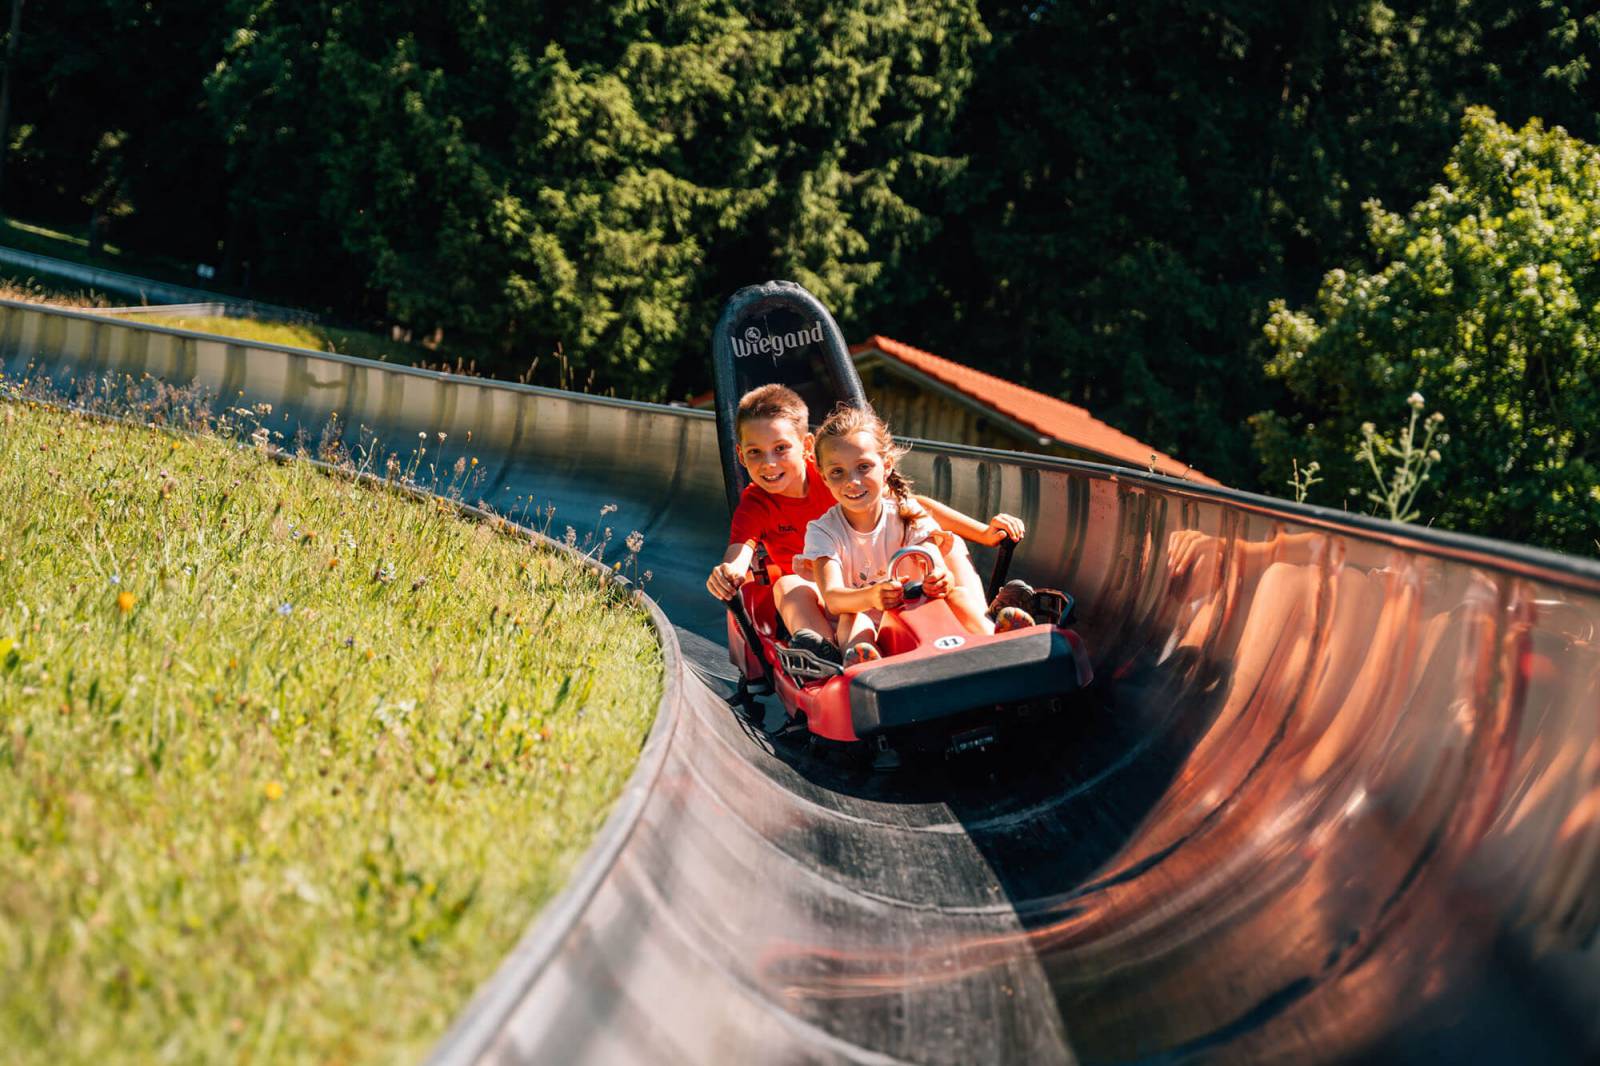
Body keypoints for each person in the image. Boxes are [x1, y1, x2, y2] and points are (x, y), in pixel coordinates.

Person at [706, 385, 1025, 666]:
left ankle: (984, 623)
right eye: (755, 453)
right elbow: (741, 551)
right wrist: (729, 572)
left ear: (806, 448)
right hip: (827, 587)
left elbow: (913, 507)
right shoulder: (762, 501)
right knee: (788, 585)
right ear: (741, 456)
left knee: (948, 543)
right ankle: (826, 655)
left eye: (780, 449)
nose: (769, 463)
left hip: (883, 568)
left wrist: (983, 533)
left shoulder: (838, 472)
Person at [799, 403, 1033, 666]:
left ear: (886, 466)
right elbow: (832, 597)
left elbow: (935, 561)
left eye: (863, 467)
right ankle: (865, 660)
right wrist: (871, 597)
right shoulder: (823, 531)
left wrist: (940, 579)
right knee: (854, 618)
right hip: (870, 625)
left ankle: (996, 639)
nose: (852, 481)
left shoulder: (906, 512)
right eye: (837, 472)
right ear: (824, 477)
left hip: (917, 616)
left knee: (957, 595)